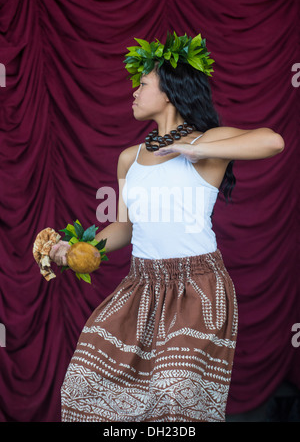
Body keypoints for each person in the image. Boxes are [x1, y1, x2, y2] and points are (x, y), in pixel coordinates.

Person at [50, 32, 284, 422]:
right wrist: (77, 250)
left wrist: (197, 149)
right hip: (140, 286)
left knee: (173, 401)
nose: (134, 93)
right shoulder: (130, 157)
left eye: (143, 85)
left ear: (171, 91)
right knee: (83, 384)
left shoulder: (209, 144)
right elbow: (124, 227)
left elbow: (272, 141)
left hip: (197, 287)